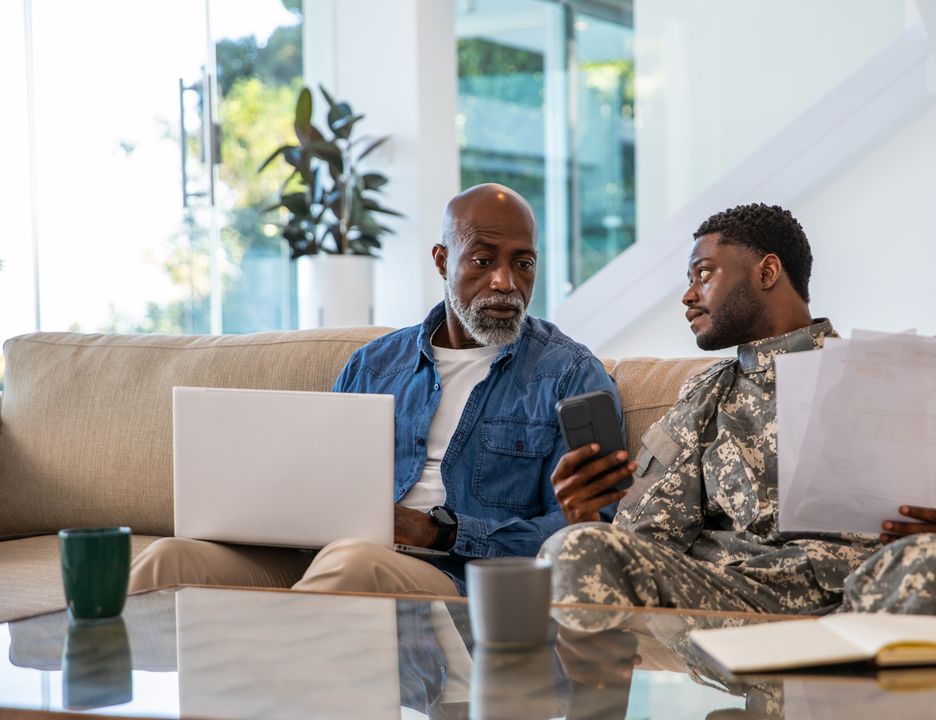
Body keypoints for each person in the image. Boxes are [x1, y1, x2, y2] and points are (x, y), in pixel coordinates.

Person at [130, 183, 621, 597]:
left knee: (350, 563)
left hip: (461, 578)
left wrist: (439, 531)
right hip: (328, 553)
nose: (504, 282)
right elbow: (318, 480)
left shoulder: (569, 375)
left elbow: (589, 533)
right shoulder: (373, 365)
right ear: (442, 260)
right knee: (168, 560)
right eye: (482, 259)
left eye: (524, 264)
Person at [541, 203, 936, 624]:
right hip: (736, 603)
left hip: (869, 600)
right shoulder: (704, 396)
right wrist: (584, 518)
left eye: (703, 274)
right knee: (574, 547)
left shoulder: (902, 377)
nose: (688, 296)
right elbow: (642, 543)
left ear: (767, 272)